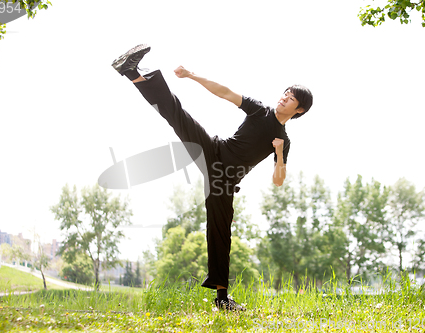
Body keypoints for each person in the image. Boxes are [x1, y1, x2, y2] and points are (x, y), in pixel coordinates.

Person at [112, 44, 313, 311]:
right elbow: (226, 92)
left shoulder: (283, 141)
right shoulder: (260, 110)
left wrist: (277, 151)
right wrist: (192, 75)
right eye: (285, 93)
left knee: (220, 233)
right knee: (178, 115)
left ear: (299, 110)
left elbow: (278, 180)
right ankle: (132, 72)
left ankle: (222, 298)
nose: (284, 98)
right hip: (214, 150)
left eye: (291, 99)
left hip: (225, 178)